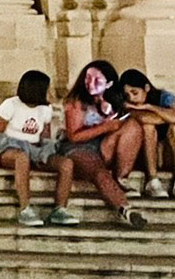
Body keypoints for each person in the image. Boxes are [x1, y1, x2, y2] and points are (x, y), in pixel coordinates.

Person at [49, 59, 144, 228]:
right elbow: (74, 136)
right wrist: (105, 127)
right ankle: (125, 209)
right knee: (99, 172)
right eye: (87, 78)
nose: (90, 84)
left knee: (133, 126)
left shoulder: (112, 100)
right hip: (78, 148)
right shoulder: (76, 101)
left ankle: (122, 177)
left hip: (102, 145)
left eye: (97, 80)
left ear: (109, 84)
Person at [0, 70, 62, 226]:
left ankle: (60, 209)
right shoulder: (10, 105)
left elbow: (45, 136)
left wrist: (45, 151)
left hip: (34, 149)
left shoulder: (45, 109)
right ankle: (25, 208)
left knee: (66, 164)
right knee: (22, 158)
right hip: (10, 148)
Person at [113, 70, 175, 199]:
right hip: (145, 153)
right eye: (128, 95)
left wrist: (149, 107)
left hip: (167, 151)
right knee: (148, 127)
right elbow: (144, 119)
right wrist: (165, 116)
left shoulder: (163, 97)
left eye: (135, 93)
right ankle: (152, 180)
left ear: (147, 88)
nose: (132, 98)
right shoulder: (127, 104)